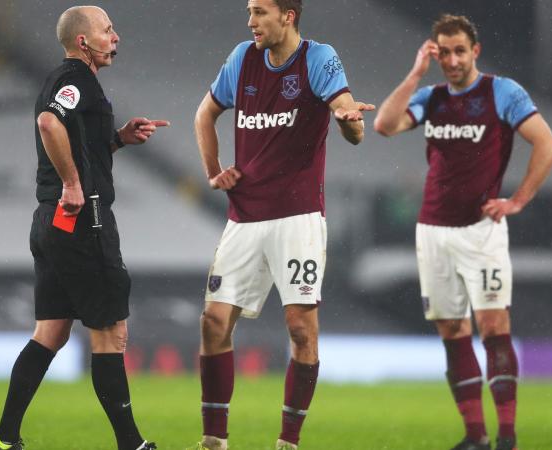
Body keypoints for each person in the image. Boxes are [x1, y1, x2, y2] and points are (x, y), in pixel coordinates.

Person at [374, 14, 552, 450]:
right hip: (433, 231)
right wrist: (415, 73)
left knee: (494, 327)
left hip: (482, 231)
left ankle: (507, 436)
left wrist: (518, 200)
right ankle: (475, 436)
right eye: (445, 53)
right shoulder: (431, 98)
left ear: (475, 51)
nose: (453, 60)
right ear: (436, 55)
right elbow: (384, 124)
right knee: (452, 333)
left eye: (460, 51)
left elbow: (548, 145)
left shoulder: (502, 92)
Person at [192, 1, 374, 449]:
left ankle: (288, 441)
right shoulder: (243, 58)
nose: (250, 21)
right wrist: (214, 170)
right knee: (213, 322)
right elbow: (204, 114)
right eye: (249, 11)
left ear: (288, 15)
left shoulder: (318, 58)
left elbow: (352, 124)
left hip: (298, 217)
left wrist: (348, 122)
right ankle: (214, 439)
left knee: (300, 329)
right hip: (245, 215)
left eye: (259, 12)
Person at [0, 6, 168, 450]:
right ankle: (131, 445)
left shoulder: (70, 82)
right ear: (83, 41)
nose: (116, 37)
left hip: (51, 221)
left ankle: (5, 439)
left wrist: (118, 139)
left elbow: (71, 136)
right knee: (111, 334)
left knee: (50, 332)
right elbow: (48, 122)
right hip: (85, 221)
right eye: (108, 30)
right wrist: (72, 183)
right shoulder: (76, 79)